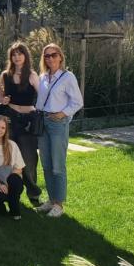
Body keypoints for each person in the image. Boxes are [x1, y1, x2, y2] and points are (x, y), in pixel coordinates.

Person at [36, 43, 83, 218]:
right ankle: (51, 199)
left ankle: (59, 204)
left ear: (60, 57)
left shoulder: (67, 77)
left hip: (57, 124)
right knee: (46, 164)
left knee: (58, 165)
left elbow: (78, 102)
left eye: (53, 55)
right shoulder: (43, 77)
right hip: (43, 122)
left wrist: (63, 114)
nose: (50, 58)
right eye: (47, 56)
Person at [0, 42, 42, 206]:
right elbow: (0, 97)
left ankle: (33, 193)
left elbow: (43, 97)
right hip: (10, 119)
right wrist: (3, 100)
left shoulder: (32, 75)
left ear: (25, 56)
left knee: (29, 159)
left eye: (20, 54)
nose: (17, 57)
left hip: (27, 121)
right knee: (8, 157)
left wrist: (38, 113)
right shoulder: (5, 75)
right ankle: (9, 192)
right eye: (14, 54)